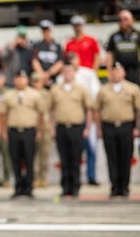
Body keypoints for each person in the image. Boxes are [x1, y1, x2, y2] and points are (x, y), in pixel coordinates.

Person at [94, 62, 140, 197]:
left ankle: (125, 186)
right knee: (112, 157)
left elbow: (138, 109)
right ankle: (115, 186)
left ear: (123, 73)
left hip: (126, 126)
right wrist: (99, 129)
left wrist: (137, 127)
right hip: (108, 126)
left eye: (118, 71)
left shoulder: (132, 88)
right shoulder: (104, 90)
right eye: (113, 71)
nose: (116, 73)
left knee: (126, 157)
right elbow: (97, 110)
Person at [57, 53, 101, 185]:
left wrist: (92, 118)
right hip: (70, 117)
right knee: (71, 153)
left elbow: (95, 95)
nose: (73, 62)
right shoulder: (61, 78)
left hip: (88, 115)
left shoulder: (88, 74)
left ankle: (91, 176)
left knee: (91, 148)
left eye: (74, 59)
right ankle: (70, 181)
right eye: (70, 60)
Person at [49, 62, 92, 197]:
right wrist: (52, 128)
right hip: (61, 127)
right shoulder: (55, 89)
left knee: (75, 158)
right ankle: (65, 187)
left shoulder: (81, 89)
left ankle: (75, 187)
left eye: (70, 71)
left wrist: (88, 128)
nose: (68, 73)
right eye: (65, 71)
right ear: (62, 73)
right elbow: (51, 110)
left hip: (76, 127)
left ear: (74, 73)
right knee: (64, 159)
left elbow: (88, 110)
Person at [1, 70, 45, 198]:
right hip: (14, 130)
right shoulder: (8, 95)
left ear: (27, 80)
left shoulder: (35, 95)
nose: (20, 80)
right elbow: (3, 115)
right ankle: (18, 186)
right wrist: (4, 131)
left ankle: (29, 187)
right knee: (15, 160)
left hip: (29, 130)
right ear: (14, 80)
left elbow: (41, 114)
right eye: (18, 78)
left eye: (23, 78)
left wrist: (40, 130)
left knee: (29, 159)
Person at [106, 9, 140, 91]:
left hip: (135, 71)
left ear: (131, 20)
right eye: (120, 19)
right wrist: (109, 72)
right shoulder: (114, 36)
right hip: (118, 71)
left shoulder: (139, 35)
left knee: (137, 93)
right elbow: (109, 54)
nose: (122, 21)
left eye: (125, 19)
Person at [32, 72, 51, 188]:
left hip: (46, 127)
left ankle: (43, 177)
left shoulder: (47, 94)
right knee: (33, 155)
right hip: (33, 126)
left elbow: (52, 111)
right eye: (34, 81)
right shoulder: (29, 94)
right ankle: (34, 178)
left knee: (44, 154)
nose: (36, 83)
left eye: (38, 81)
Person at [33, 20, 63, 87]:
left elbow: (60, 62)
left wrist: (48, 74)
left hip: (54, 78)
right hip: (40, 78)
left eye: (47, 30)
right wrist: (42, 75)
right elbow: (35, 61)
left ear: (51, 30)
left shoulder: (57, 46)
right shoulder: (37, 45)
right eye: (44, 30)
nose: (45, 32)